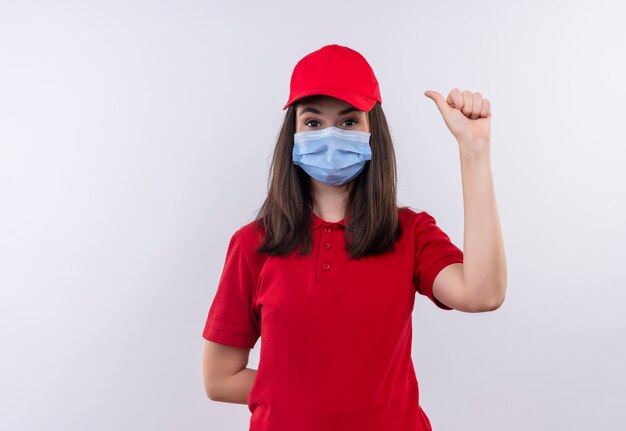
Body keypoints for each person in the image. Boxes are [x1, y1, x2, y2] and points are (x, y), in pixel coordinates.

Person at [202, 43, 506, 431]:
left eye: (348, 122)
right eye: (313, 122)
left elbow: (483, 294)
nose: (330, 135)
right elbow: (219, 378)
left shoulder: (409, 233)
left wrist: (474, 151)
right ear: (292, 135)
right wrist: (312, 396)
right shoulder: (253, 244)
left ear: (372, 132)